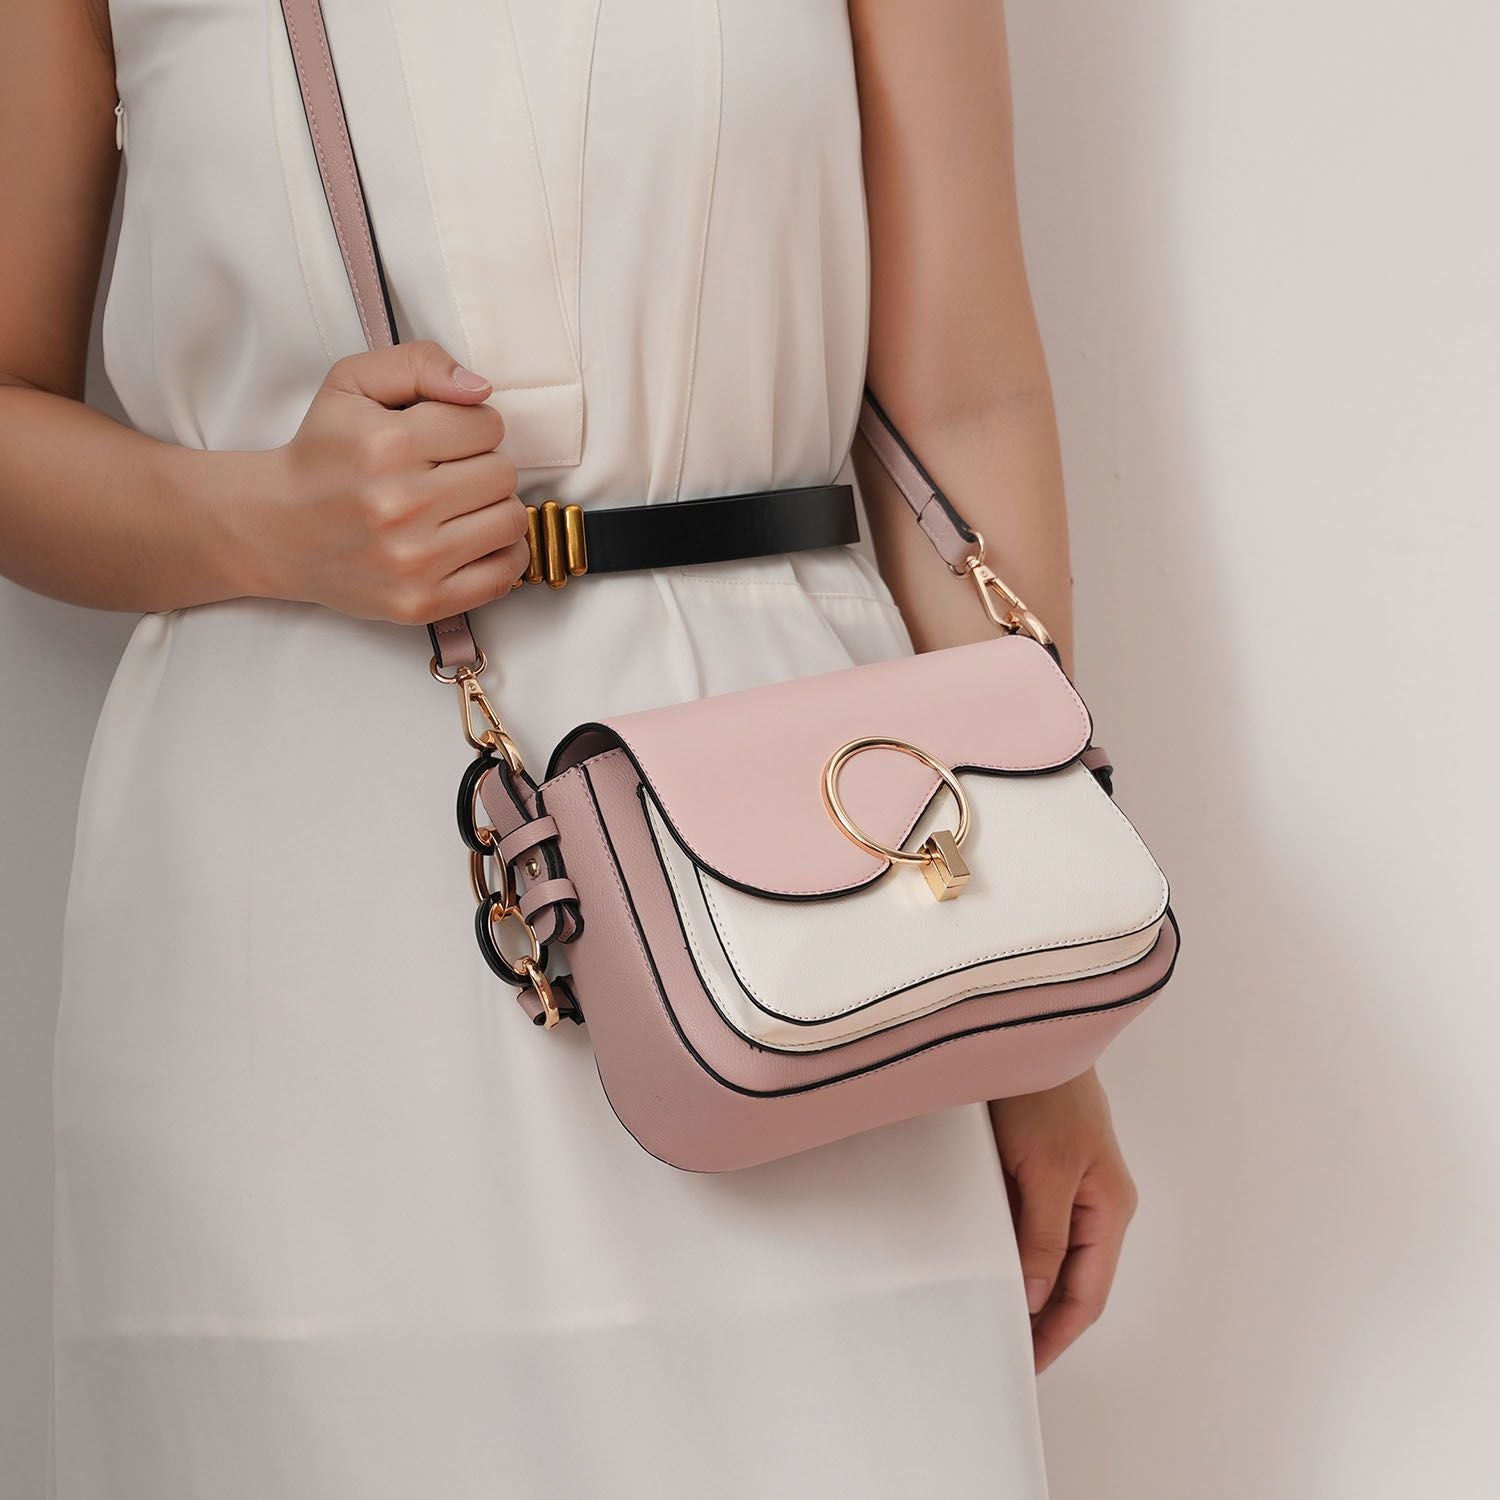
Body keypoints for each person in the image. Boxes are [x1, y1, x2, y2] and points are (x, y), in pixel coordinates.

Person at [1, 1, 1138, 1494]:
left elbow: (965, 406)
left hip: (815, 910)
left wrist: (1035, 1019)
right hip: (296, 934)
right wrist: (264, 522)